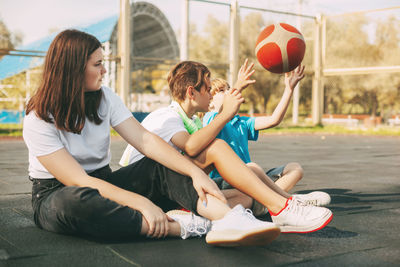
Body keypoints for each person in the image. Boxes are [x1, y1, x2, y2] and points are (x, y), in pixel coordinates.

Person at [22, 29, 282, 247]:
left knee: (162, 164)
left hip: (104, 181)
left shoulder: (105, 98)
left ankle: (228, 220)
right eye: (98, 64)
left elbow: (145, 140)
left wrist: (195, 173)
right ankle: (187, 226)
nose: (104, 71)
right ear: (74, 69)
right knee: (75, 202)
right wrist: (141, 202)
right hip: (56, 195)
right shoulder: (38, 118)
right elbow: (78, 180)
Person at [120, 60, 333, 233]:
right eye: (208, 87)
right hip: (145, 188)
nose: (212, 93)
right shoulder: (166, 116)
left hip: (171, 190)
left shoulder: (192, 121)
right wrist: (225, 114)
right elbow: (193, 148)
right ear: (191, 92)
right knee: (217, 147)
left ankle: (197, 220)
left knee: (245, 198)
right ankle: (282, 208)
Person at [203, 67, 331, 208]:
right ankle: (284, 201)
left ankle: (266, 203)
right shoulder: (210, 119)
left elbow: (274, 119)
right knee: (252, 168)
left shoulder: (242, 122)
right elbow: (222, 112)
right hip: (227, 181)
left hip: (250, 178)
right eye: (222, 91)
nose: (229, 92)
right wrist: (238, 86)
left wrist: (289, 89)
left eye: (229, 88)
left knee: (295, 169)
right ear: (210, 103)